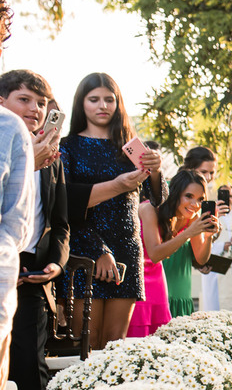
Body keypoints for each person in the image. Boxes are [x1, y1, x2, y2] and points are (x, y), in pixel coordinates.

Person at [58, 73, 163, 349]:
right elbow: (66, 204)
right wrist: (98, 251)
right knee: (87, 343)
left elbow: (157, 200)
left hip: (127, 247)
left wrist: (156, 170)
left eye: (109, 99)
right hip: (83, 250)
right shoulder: (67, 147)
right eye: (94, 99)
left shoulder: (129, 147)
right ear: (81, 104)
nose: (102, 105)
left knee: (115, 345)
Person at [1, 70, 63, 390]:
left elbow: (61, 222)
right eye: (24, 99)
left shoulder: (54, 160)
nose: (35, 109)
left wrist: (56, 262)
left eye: (41, 103)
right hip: (5, 259)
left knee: (28, 363)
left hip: (34, 274)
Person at [129, 170, 217, 337]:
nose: (195, 204)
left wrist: (208, 236)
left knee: (160, 333)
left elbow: (201, 258)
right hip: (135, 274)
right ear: (175, 193)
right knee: (137, 331)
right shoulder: (150, 209)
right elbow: (154, 253)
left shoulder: (192, 217)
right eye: (189, 196)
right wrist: (188, 233)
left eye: (200, 199)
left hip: (156, 277)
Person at [200, 184, 232, 315]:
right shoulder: (211, 215)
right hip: (215, 269)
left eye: (230, 196)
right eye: (224, 195)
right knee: (214, 306)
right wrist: (223, 245)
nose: (228, 199)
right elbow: (201, 240)